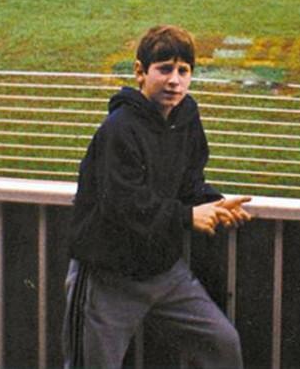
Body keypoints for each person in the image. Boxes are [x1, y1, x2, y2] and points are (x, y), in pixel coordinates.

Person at [63, 25, 253, 368]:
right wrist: (186, 217)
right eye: (164, 69)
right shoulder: (118, 129)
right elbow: (122, 205)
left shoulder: (187, 115)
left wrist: (212, 202)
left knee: (224, 345)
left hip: (164, 274)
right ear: (140, 71)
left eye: (184, 71)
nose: (174, 81)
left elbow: (189, 181)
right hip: (108, 280)